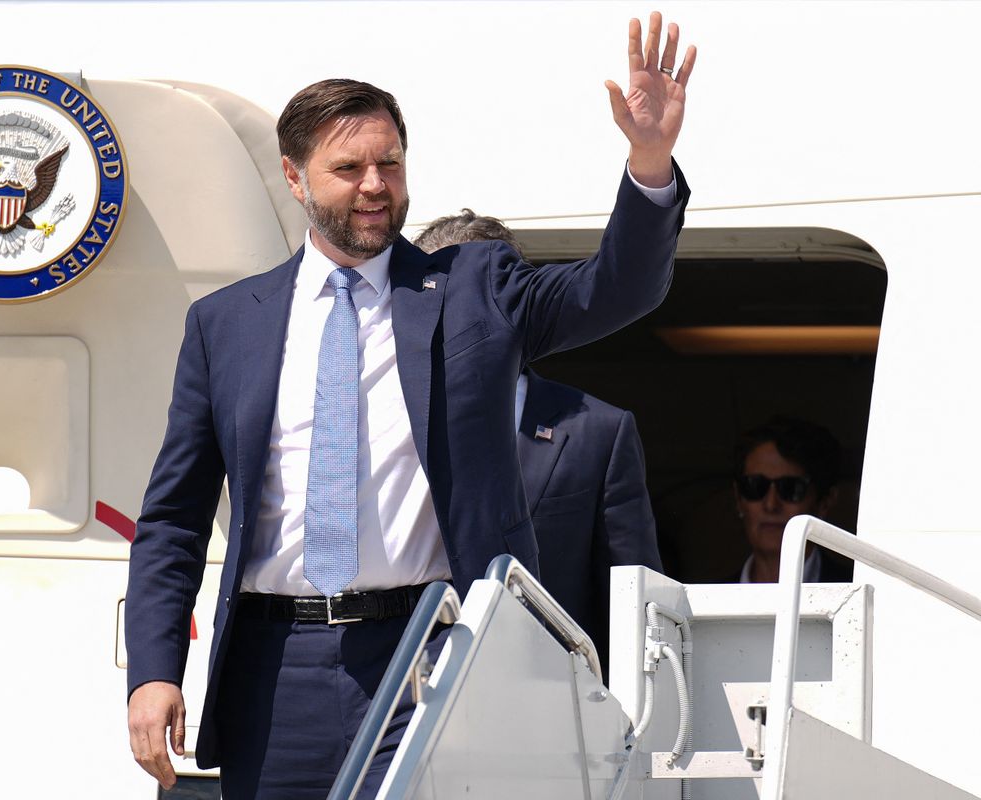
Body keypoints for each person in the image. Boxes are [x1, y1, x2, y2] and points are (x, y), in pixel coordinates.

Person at [126, 13, 697, 797]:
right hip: (270, 666)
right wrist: (153, 672)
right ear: (295, 178)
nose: (373, 187)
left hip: (426, 653)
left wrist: (649, 162)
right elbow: (175, 519)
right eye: (348, 167)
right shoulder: (227, 324)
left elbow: (617, 289)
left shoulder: (474, 289)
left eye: (389, 164)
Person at [412, 210, 662, 670]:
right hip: (402, 695)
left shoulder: (597, 431)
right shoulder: (373, 419)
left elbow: (635, 606)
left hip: (544, 706)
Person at [731, 416, 852, 583]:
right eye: (756, 486)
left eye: (790, 488)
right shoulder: (699, 604)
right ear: (738, 498)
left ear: (825, 501)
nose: (771, 504)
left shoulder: (862, 597)